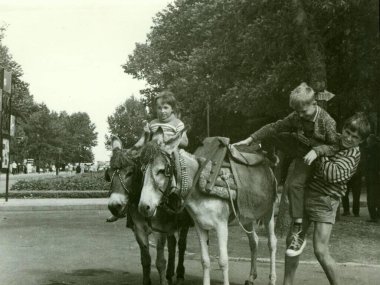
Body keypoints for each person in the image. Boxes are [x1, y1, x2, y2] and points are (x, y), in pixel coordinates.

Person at [234, 82, 339, 256]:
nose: (300, 115)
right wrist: (250, 139)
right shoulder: (297, 116)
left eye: (303, 112)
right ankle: (267, 154)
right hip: (300, 151)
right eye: (297, 112)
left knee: (293, 186)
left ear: (315, 104)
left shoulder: (327, 121)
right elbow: (274, 126)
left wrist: (317, 151)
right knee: (274, 131)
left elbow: (335, 146)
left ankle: (298, 229)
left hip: (318, 158)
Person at [283, 112, 371, 285]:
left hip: (326, 201)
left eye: (355, 137)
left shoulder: (353, 154)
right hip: (306, 194)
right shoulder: (333, 139)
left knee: (320, 250)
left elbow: (332, 174)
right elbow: (311, 143)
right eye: (347, 132)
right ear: (343, 129)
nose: (349, 138)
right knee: (292, 243)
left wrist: (317, 153)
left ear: (360, 141)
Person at [107, 90, 188, 223]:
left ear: (172, 109)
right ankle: (122, 207)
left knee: (181, 171)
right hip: (153, 156)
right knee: (134, 173)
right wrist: (137, 144)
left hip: (171, 153)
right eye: (159, 108)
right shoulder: (153, 123)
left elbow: (185, 142)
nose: (162, 111)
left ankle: (182, 200)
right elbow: (143, 142)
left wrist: (168, 137)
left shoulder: (177, 123)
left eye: (166, 108)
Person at [363, 134, 380, 223]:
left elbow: (369, 165)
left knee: (371, 198)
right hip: (375, 177)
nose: (367, 142)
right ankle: (377, 215)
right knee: (377, 197)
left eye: (368, 141)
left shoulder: (372, 150)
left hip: (372, 178)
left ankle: (373, 217)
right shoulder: (375, 149)